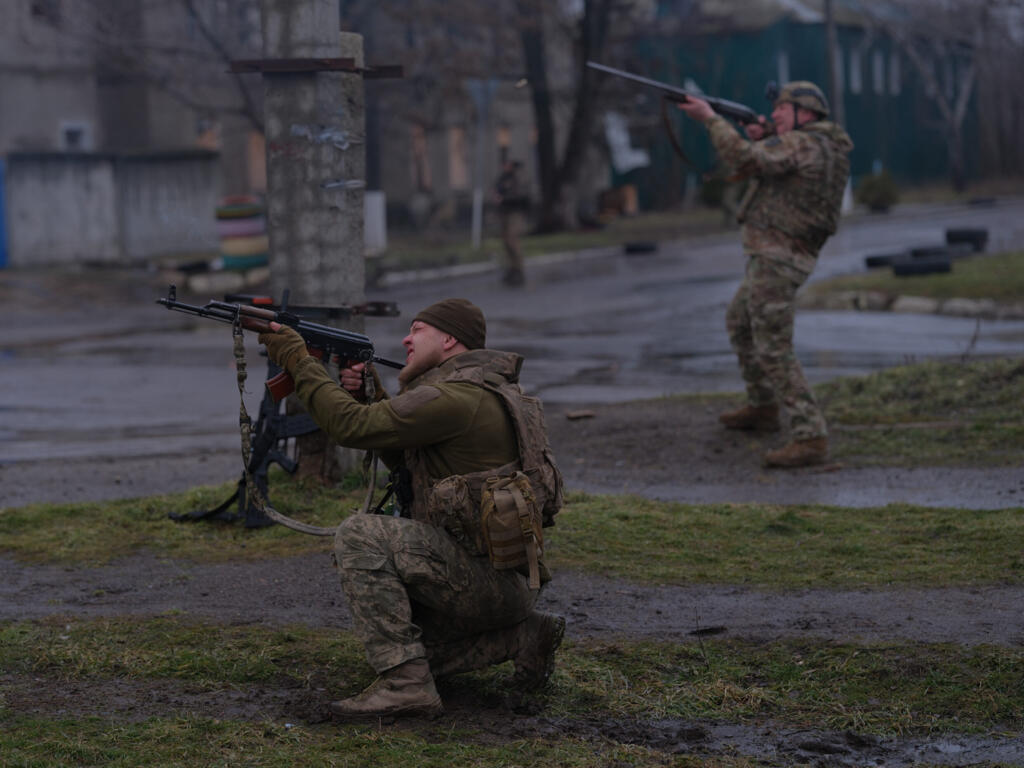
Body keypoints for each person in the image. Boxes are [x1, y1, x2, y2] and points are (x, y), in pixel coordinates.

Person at [258, 298, 565, 719]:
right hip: (503, 579)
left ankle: (406, 687)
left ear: (450, 339)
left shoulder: (454, 398)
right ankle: (524, 636)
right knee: (414, 650)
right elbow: (409, 464)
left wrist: (298, 360)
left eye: (418, 330)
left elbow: (350, 427)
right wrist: (370, 396)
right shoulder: (479, 391)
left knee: (361, 534)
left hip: (487, 581)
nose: (406, 339)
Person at [677, 81, 853, 468]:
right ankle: (763, 406)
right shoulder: (819, 144)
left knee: (773, 346)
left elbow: (744, 157)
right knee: (740, 321)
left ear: (806, 113)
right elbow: (772, 158)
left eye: (782, 110)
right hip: (780, 256)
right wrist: (766, 134)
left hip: (779, 258)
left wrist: (709, 119)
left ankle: (810, 435)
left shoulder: (802, 144)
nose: (774, 114)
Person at [493, 160, 530, 286]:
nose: (505, 167)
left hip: (516, 213)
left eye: (507, 164)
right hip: (505, 212)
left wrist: (504, 199)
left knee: (512, 240)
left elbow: (522, 195)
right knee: (506, 241)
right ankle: (512, 269)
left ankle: (519, 269)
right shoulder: (504, 178)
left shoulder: (519, 177)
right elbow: (497, 189)